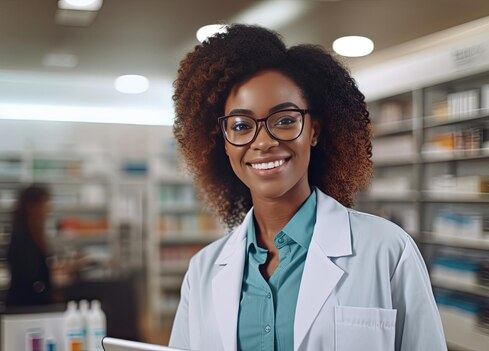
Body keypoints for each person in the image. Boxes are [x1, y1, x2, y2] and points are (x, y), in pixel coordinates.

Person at [168, 25, 446, 351]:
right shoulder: (203, 270)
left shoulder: (388, 251)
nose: (263, 142)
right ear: (223, 144)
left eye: (285, 120)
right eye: (242, 126)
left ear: (313, 131)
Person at [6, 184, 53, 306]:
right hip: (26, 304)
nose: (48, 209)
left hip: (32, 300)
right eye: (45, 204)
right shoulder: (22, 236)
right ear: (32, 206)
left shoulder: (34, 232)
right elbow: (29, 274)